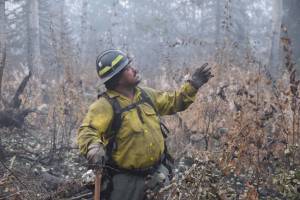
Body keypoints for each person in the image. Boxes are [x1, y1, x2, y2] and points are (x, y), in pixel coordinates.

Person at [77, 49, 213, 200]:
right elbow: (87, 131)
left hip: (158, 175)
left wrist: (193, 85)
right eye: (128, 68)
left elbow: (174, 102)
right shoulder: (105, 105)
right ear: (117, 78)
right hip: (126, 183)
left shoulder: (147, 95)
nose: (135, 70)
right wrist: (93, 148)